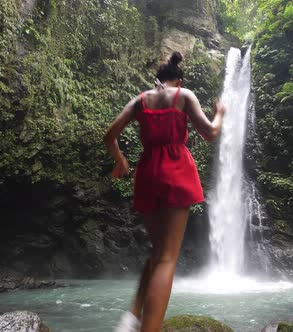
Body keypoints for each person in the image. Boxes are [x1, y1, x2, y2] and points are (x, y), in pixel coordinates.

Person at [104, 51, 226, 332]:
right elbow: (209, 133)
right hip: (176, 171)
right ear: (178, 79)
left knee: (158, 251)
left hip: (148, 173)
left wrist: (121, 161)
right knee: (167, 258)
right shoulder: (184, 95)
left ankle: (132, 317)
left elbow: (109, 136)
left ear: (157, 80)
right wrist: (219, 114)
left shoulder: (140, 101)